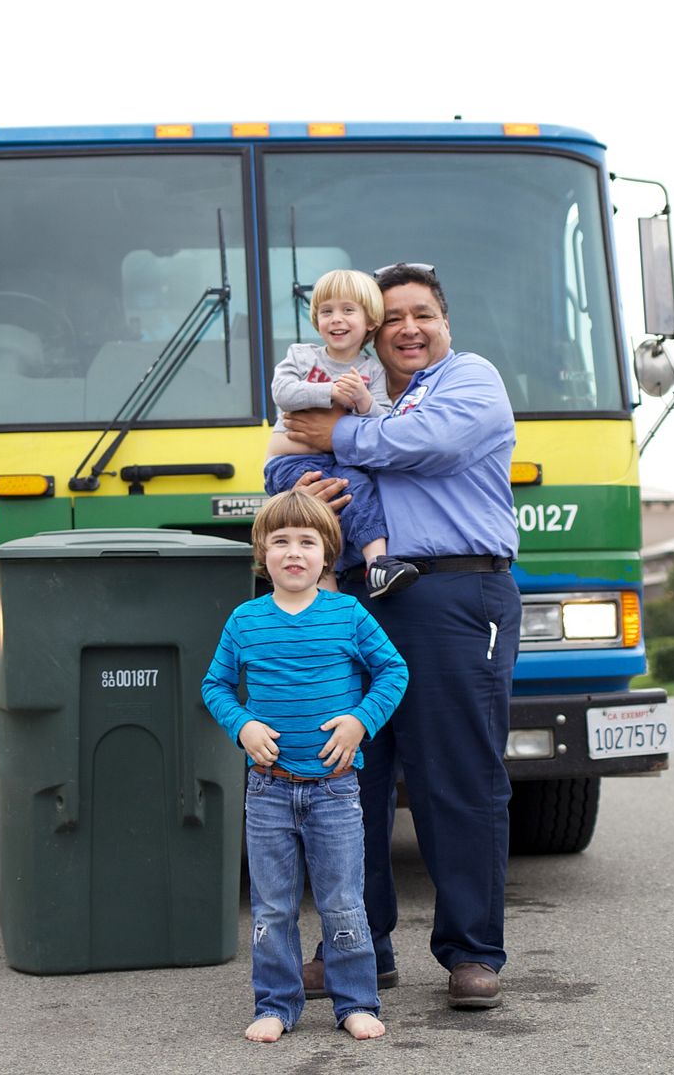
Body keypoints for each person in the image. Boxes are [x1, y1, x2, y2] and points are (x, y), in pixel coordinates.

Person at [285, 262, 521, 1010]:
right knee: (347, 781)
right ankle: (360, 949)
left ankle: (471, 954)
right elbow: (292, 445)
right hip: (355, 596)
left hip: (452, 591)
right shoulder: (349, 385)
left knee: (455, 778)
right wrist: (301, 487)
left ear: (445, 323)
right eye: (392, 318)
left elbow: (434, 446)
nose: (408, 328)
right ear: (369, 329)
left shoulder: (470, 379)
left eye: (422, 314)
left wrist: (343, 434)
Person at [200, 490, 409, 1043]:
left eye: (308, 542)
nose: (294, 553)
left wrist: (360, 721)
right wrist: (241, 725)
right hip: (268, 789)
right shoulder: (245, 620)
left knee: (343, 902)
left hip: (336, 791)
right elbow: (215, 685)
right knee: (272, 906)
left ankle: (356, 1002)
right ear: (261, 553)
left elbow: (393, 672)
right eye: (281, 542)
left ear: (328, 554)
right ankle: (276, 1004)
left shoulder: (348, 614)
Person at [264, 268, 418, 599]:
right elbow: (283, 392)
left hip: (342, 460)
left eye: (348, 310)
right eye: (326, 311)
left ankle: (379, 564)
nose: (336, 319)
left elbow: (383, 420)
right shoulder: (302, 356)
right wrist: (330, 392)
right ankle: (323, 582)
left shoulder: (373, 370)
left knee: (359, 489)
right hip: (292, 460)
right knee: (317, 509)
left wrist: (363, 403)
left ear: (370, 322)